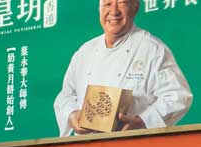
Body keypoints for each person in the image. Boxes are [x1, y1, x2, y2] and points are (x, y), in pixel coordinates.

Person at [53, 0, 192, 136]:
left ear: (135, 7)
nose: (113, 12)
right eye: (107, 4)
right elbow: (65, 96)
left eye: (122, 3)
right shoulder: (85, 52)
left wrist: (143, 122)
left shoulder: (153, 49)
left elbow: (178, 97)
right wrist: (72, 115)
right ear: (99, 9)